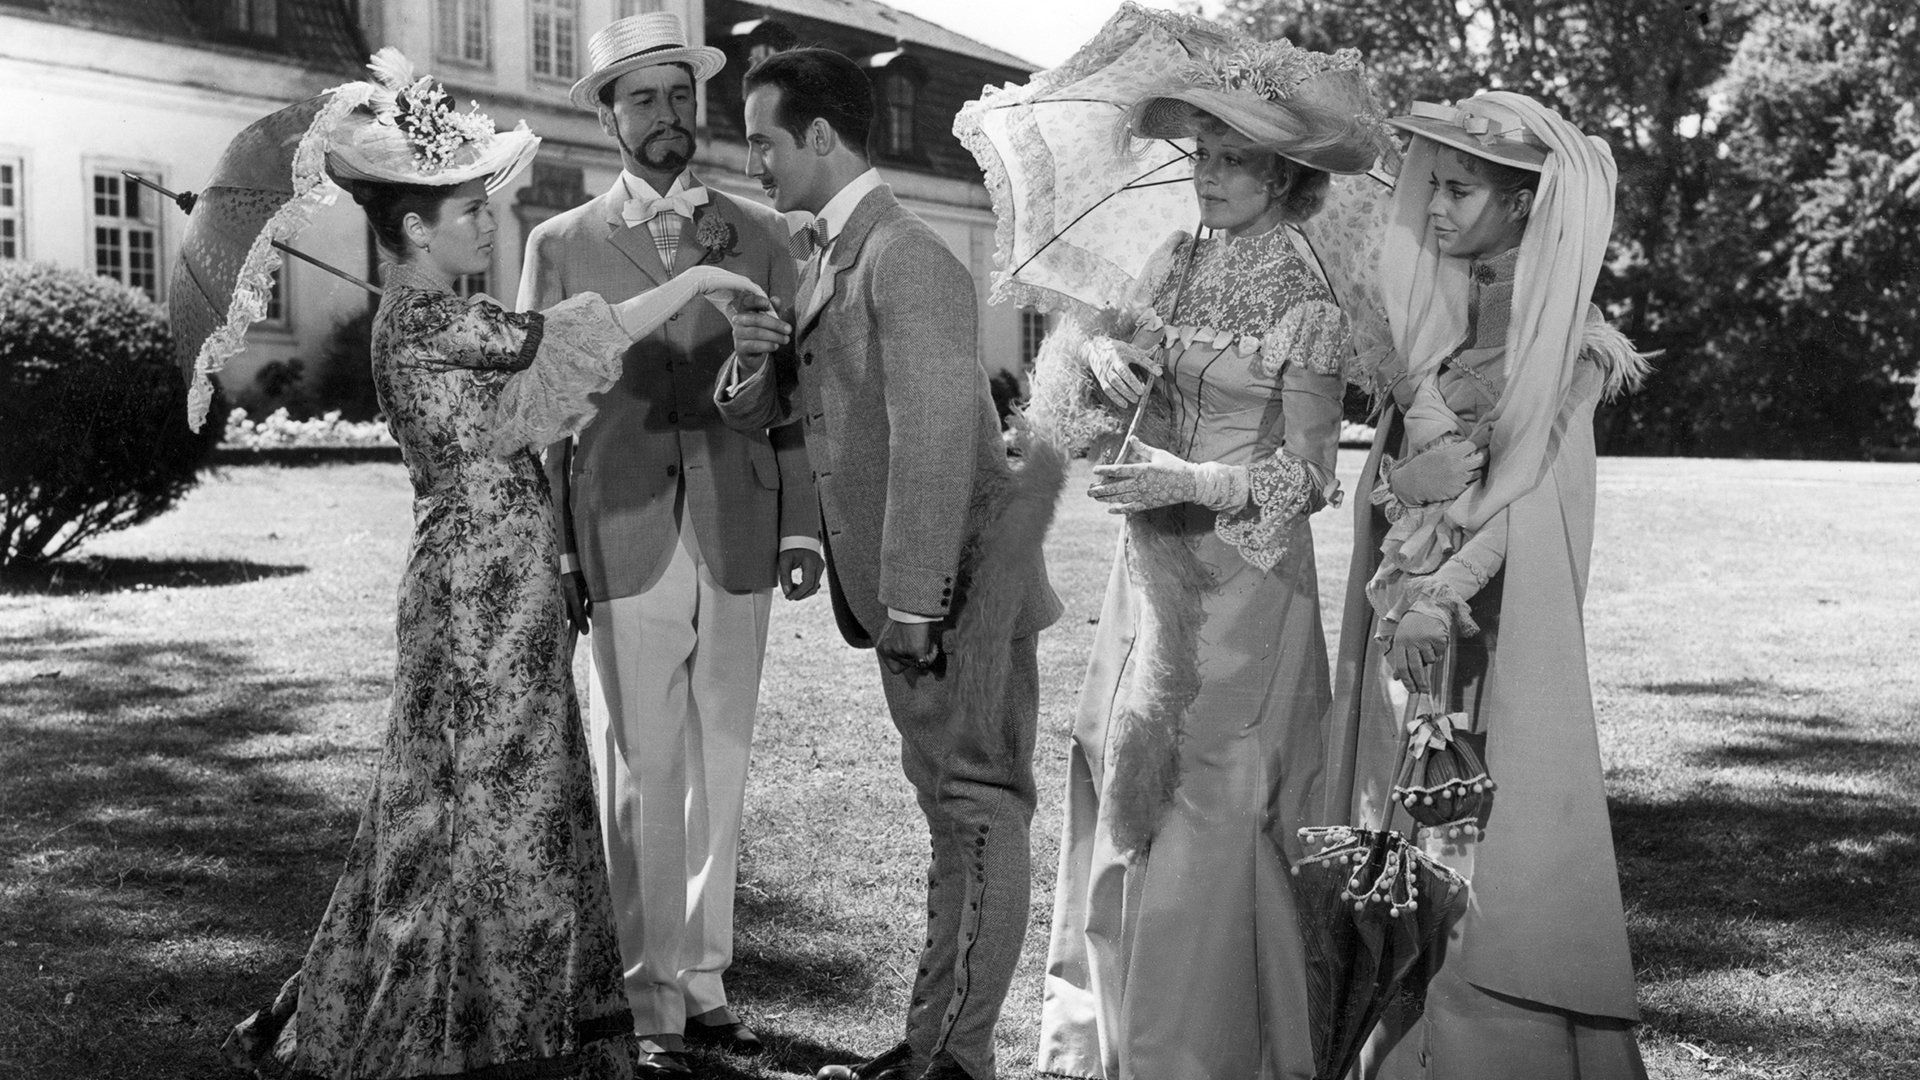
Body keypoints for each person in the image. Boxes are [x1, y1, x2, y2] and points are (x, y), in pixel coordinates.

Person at [221, 50, 767, 1080]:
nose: (486, 222)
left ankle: (514, 1011)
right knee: (480, 795)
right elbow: (571, 332)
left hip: (498, 574)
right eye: (468, 210)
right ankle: (466, 1020)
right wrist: (695, 278)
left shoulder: (427, 319)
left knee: (492, 790)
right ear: (415, 227)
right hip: (476, 586)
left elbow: (526, 393)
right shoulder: (428, 319)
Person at [1021, 38, 1394, 1080]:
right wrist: (1100, 354)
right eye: (1200, 154)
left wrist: (1193, 482)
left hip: (1245, 586)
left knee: (1211, 804)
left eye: (1233, 159)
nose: (1209, 174)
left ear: (1284, 174)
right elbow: (1096, 366)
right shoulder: (1172, 260)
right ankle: (1115, 1025)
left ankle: (1197, 1053)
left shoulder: (1306, 297)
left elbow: (1311, 477)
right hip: (1151, 573)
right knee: (1125, 772)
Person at [717, 46, 1064, 1080]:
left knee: (979, 813)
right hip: (913, 600)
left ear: (821, 138)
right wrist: (752, 352)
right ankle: (933, 1048)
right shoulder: (835, 255)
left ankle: (954, 1059)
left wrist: (916, 600)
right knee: (951, 817)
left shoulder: (907, 257)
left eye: (765, 144)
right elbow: (799, 407)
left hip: (957, 594)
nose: (758, 166)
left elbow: (927, 443)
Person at [1325, 93, 1652, 1079]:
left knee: (1490, 861)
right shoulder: (1446, 346)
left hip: (1493, 638)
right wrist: (1400, 551)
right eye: (1431, 184)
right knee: (1423, 838)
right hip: (1428, 640)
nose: (1430, 205)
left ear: (1523, 206)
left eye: (1458, 189)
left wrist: (1443, 584)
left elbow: (1526, 508)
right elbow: (1413, 498)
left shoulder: (1570, 348)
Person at [518, 14, 822, 1076]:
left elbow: (790, 401)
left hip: (739, 525)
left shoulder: (762, 238)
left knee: (723, 765)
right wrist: (556, 553)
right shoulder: (555, 245)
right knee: (643, 769)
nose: (668, 118)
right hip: (619, 532)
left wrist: (798, 523)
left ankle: (706, 980)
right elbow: (539, 414)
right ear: (606, 114)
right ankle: (651, 995)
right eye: (643, 99)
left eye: (680, 97)